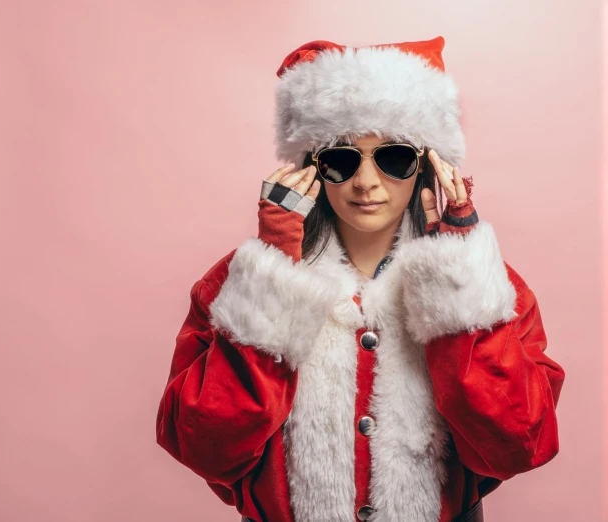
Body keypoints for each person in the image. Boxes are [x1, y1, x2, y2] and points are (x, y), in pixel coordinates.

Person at [155, 36, 565, 522]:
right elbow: (206, 445)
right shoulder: (240, 282)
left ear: (428, 165)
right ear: (313, 168)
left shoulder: (487, 284)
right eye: (341, 159)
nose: (365, 181)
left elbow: (518, 444)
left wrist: (456, 278)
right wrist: (274, 275)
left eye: (393, 158)